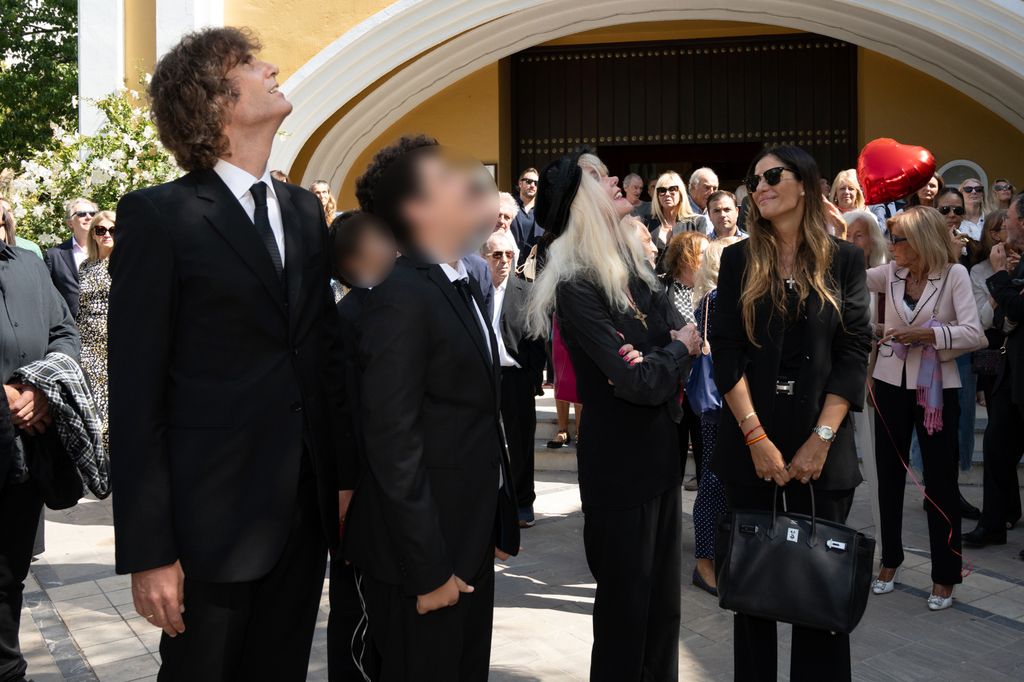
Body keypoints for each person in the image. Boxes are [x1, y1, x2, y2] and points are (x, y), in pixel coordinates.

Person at [108, 28, 352, 681]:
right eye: (247, 64)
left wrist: (344, 480)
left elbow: (323, 362)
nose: (271, 68)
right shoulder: (158, 218)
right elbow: (135, 396)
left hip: (302, 520)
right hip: (207, 532)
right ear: (214, 101)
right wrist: (149, 551)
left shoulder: (304, 213)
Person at [344, 134, 519, 681]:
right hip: (422, 562)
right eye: (445, 178)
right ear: (416, 209)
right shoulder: (399, 294)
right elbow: (393, 445)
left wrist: (493, 520)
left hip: (462, 541)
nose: (467, 182)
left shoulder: (454, 280)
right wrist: (428, 572)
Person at [526, 151, 699, 682]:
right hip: (620, 471)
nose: (616, 182)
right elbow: (640, 378)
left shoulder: (633, 270)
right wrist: (671, 354)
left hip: (661, 462)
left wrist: (664, 355)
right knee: (626, 617)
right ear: (581, 204)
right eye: (599, 178)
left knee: (662, 613)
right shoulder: (578, 286)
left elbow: (680, 336)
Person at [711, 145, 871, 681]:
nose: (759, 187)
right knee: (753, 598)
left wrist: (822, 438)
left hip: (823, 453)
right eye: (753, 179)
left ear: (803, 183)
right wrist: (756, 437)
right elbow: (726, 351)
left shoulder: (845, 259)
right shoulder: (737, 259)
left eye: (771, 175)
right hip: (751, 448)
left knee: (820, 602)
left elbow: (853, 352)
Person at [867, 206, 985, 611]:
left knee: (940, 481)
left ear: (920, 241)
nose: (890, 245)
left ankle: (945, 573)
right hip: (889, 383)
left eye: (897, 238)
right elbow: (847, 276)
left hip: (936, 389)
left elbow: (975, 334)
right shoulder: (890, 273)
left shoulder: (955, 275)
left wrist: (928, 335)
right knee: (887, 476)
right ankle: (890, 560)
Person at [0, 214, 81, 682]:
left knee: (8, 576)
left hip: (26, 454)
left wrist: (41, 387)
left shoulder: (30, 266)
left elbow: (64, 333)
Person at [325, 210, 396, 681]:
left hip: (379, 486)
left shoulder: (381, 308)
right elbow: (343, 412)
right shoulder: (352, 317)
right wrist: (346, 487)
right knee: (359, 616)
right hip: (361, 492)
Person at [482, 229, 545, 528]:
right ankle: (487, 501)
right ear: (484, 258)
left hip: (516, 377)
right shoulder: (474, 289)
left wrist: (532, 376)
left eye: (509, 255)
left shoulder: (526, 292)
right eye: (496, 255)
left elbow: (537, 337)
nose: (504, 261)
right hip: (483, 378)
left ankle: (523, 502)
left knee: (521, 444)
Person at [689, 235, 740, 597]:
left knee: (719, 480)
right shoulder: (720, 300)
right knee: (713, 480)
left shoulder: (720, 300)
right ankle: (705, 561)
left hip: (729, 407)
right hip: (721, 407)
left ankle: (720, 556)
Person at [978, 194, 1024, 560]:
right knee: (995, 448)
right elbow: (1002, 318)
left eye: (1008, 218)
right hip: (1008, 373)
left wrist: (999, 279)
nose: (1004, 226)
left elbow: (1019, 307)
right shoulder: (1014, 265)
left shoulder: (1006, 269)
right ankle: (993, 523)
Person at [663, 231, 708, 491]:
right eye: (702, 253)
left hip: (704, 388)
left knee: (708, 462)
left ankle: (709, 527)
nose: (707, 258)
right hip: (674, 386)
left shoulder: (715, 289)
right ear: (684, 257)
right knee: (672, 461)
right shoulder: (662, 290)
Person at [75, 210, 116, 451]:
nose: (107, 234)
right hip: (88, 344)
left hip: (115, 342)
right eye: (101, 230)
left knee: (113, 397)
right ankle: (99, 453)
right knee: (92, 398)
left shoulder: (124, 262)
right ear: (94, 235)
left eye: (112, 229)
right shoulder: (86, 266)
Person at [44, 197, 97, 318]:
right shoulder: (54, 255)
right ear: (70, 223)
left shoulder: (109, 250)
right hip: (71, 329)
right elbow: (46, 295)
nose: (88, 217)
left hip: (106, 327)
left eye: (92, 213)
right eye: (81, 214)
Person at [645, 171, 709, 270]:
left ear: (681, 193)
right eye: (662, 190)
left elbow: (701, 258)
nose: (667, 194)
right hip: (653, 282)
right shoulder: (646, 222)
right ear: (657, 195)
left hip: (686, 281)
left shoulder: (697, 222)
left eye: (672, 189)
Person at [510, 167, 542, 265]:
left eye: (536, 183)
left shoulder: (544, 209)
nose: (532, 185)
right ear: (520, 183)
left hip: (536, 265)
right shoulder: (509, 205)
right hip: (511, 262)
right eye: (528, 181)